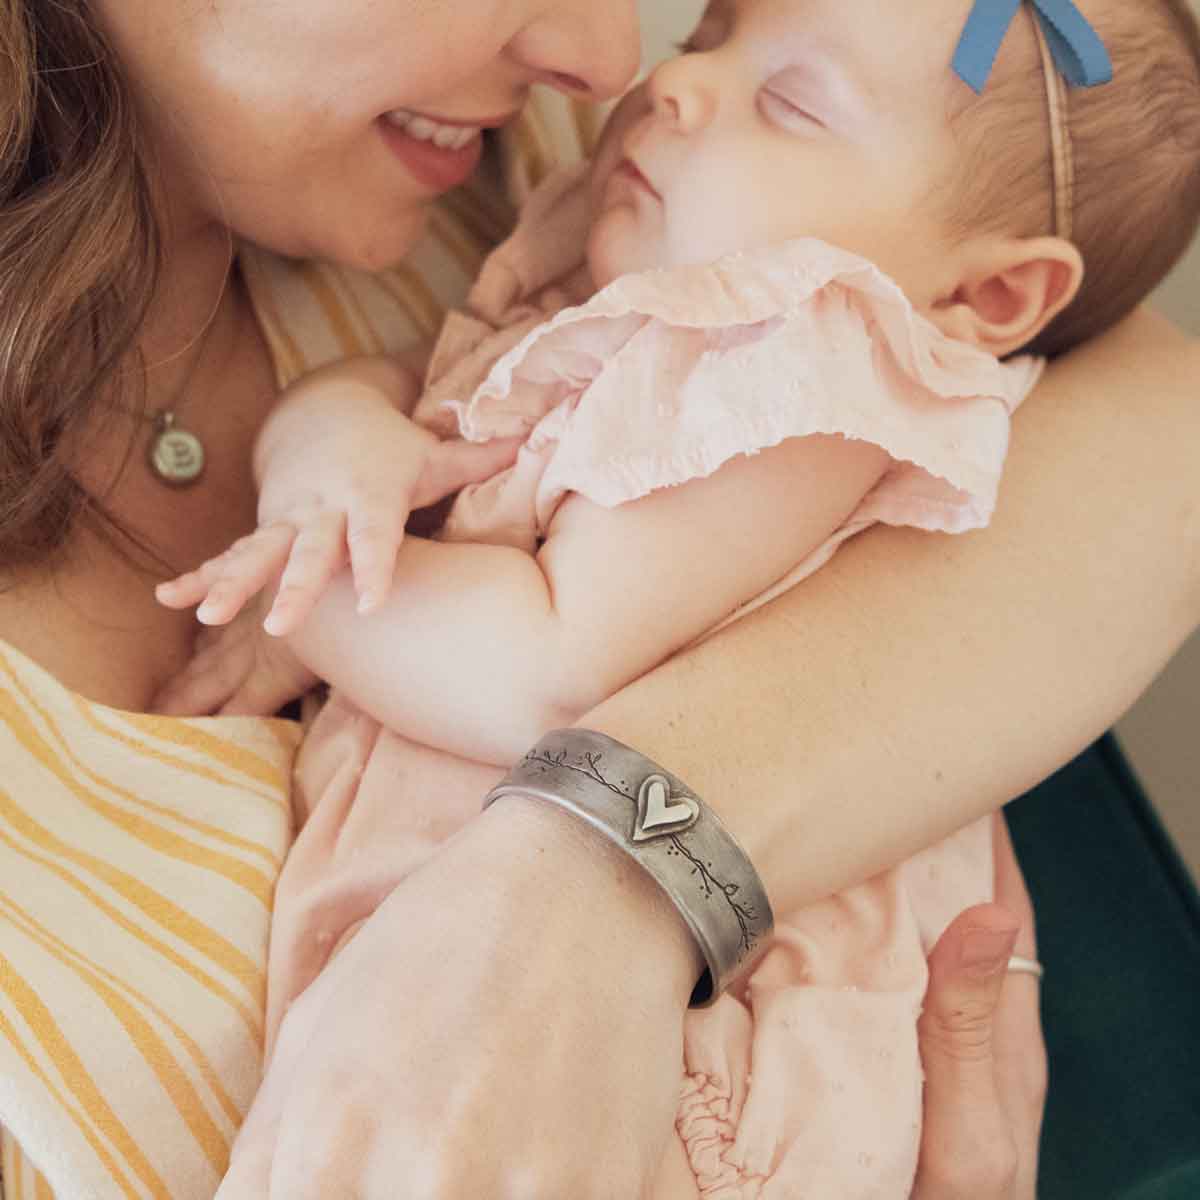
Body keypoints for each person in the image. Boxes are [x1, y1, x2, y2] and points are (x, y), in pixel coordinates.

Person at [0, 0, 1194, 1195]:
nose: (628, 68)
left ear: (987, 302)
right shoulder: (623, 244)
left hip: (717, 1071)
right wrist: (329, 443)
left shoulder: (804, 372)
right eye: (709, 36)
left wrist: (306, 594)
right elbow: (438, 390)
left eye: (789, 100)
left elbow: (546, 667)